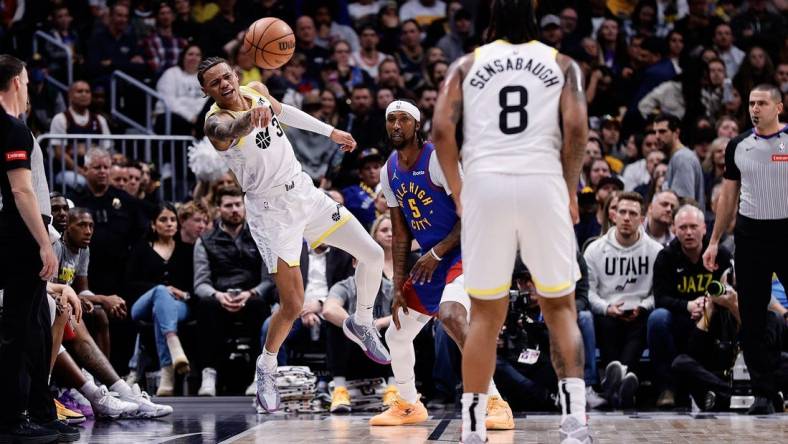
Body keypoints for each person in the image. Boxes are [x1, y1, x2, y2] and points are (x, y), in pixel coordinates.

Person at [432, 1, 590, 441]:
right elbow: (577, 127)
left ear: (492, 20)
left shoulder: (465, 65)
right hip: (543, 181)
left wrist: (461, 189)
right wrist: (570, 189)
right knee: (560, 307)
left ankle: (473, 426)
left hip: (486, 183)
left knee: (484, 314)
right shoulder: (563, 64)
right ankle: (575, 421)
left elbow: (441, 130)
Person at [200, 56, 392, 411]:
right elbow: (230, 131)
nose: (224, 84)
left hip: (305, 193)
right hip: (271, 213)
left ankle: (362, 322)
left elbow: (283, 111)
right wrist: (248, 119)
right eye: (215, 83)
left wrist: (329, 132)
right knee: (292, 304)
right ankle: (267, 366)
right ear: (206, 91)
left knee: (373, 254)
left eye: (226, 76)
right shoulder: (216, 122)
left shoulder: (255, 89)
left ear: (235, 75)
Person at [371, 100, 513, 428]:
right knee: (397, 333)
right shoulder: (389, 170)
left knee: (450, 315)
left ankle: (494, 400)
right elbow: (402, 233)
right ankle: (408, 403)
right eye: (391, 119)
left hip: (470, 248)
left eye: (403, 119)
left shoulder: (437, 159)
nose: (395, 125)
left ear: (416, 125)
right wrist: (398, 286)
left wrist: (435, 254)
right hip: (433, 256)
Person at [0, 54, 80, 443]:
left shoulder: (16, 128)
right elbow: (20, 190)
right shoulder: (13, 129)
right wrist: (44, 245)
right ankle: (13, 418)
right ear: (17, 82)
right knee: (18, 330)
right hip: (19, 238)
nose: (29, 87)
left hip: (19, 236)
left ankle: (40, 410)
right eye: (28, 81)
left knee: (34, 329)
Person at [704, 83, 788, 414]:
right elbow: (727, 197)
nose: (755, 108)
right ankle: (764, 394)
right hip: (750, 235)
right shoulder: (738, 146)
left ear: (778, 107)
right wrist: (713, 241)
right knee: (751, 317)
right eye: (752, 103)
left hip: (786, 231)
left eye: (762, 103)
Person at [648, 204, 733, 409]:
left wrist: (710, 303)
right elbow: (660, 298)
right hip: (680, 317)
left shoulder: (720, 255)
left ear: (704, 229)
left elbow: (729, 290)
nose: (688, 232)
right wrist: (688, 305)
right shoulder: (666, 257)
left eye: (693, 226)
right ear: (675, 230)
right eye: (683, 227)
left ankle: (722, 383)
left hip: (713, 318)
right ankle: (666, 388)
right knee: (657, 318)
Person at [584, 192, 663, 408]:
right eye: (622, 212)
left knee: (646, 321)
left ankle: (613, 385)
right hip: (607, 313)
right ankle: (623, 382)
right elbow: (588, 292)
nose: (627, 218)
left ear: (642, 219)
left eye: (633, 213)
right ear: (614, 216)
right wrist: (606, 307)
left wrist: (643, 306)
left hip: (639, 313)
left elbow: (659, 293)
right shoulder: (594, 250)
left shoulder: (656, 251)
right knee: (603, 321)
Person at [192, 186, 273, 396]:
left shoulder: (260, 235)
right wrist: (218, 295)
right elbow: (200, 284)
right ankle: (208, 374)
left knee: (259, 304)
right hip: (219, 296)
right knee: (205, 304)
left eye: (239, 205)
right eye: (229, 205)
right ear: (219, 209)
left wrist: (251, 293)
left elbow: (268, 280)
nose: (235, 210)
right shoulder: (205, 240)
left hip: (251, 296)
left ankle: (258, 375)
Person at [128, 203, 195, 396]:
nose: (169, 224)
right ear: (153, 224)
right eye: (163, 220)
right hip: (142, 305)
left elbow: (195, 284)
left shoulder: (187, 250)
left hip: (179, 305)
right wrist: (163, 290)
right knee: (159, 291)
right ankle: (174, 344)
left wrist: (183, 294)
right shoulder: (140, 249)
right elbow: (129, 283)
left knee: (161, 311)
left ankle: (167, 372)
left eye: (173, 220)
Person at [655, 113, 705, 209]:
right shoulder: (678, 157)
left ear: (676, 133)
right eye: (655, 132)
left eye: (662, 131)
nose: (657, 136)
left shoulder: (682, 158)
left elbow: (684, 204)